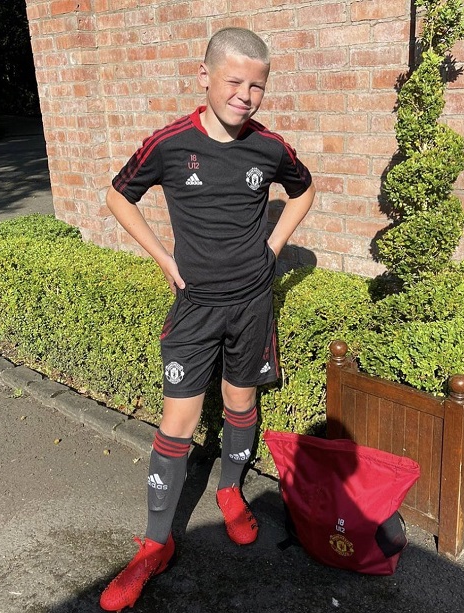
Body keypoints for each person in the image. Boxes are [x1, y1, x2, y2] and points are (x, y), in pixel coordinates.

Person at [99, 27, 315, 611]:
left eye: (258, 86)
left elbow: (303, 190)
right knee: (178, 425)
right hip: (194, 308)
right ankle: (154, 544)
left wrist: (273, 251)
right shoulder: (169, 144)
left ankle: (229, 494)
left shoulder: (269, 148)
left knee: (241, 404)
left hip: (251, 304)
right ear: (205, 77)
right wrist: (163, 257)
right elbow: (119, 195)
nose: (245, 95)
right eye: (234, 82)